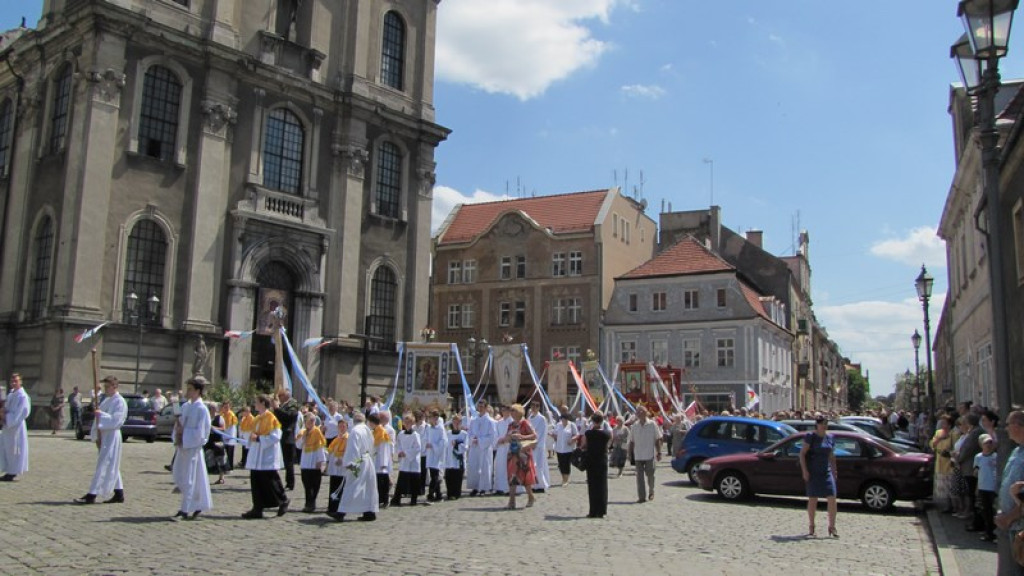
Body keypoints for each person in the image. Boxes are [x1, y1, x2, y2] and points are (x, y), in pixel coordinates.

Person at [75, 376, 127, 503]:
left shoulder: (119, 401)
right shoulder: (106, 400)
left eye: (108, 386)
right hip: (104, 435)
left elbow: (117, 420)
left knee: (103, 464)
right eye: (105, 387)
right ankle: (119, 493)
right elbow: (98, 419)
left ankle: (92, 494)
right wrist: (97, 435)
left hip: (112, 435)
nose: (106, 389)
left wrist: (100, 415)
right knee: (110, 463)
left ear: (115, 386)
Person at [242, 394, 289, 519]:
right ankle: (257, 507)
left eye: (257, 402)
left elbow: (276, 436)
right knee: (256, 480)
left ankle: (283, 500)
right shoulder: (257, 418)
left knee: (271, 480)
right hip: (257, 455)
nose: (254, 404)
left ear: (263, 403)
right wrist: (250, 439)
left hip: (266, 455)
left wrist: (259, 439)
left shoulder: (271, 418)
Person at [172, 377, 212, 520]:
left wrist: (185, 434)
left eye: (190, 389)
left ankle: (185, 509)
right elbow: (178, 424)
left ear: (198, 391)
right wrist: (177, 432)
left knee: (189, 479)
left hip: (193, 449)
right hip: (183, 448)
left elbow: (202, 433)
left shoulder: (202, 409)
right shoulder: (185, 407)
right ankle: (198, 504)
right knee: (185, 477)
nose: (187, 392)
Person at [800, 415, 838, 538]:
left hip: (826, 471)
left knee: (832, 497)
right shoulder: (811, 437)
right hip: (813, 471)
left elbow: (831, 456)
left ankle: (832, 526)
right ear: (817, 425)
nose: (825, 426)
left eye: (826, 424)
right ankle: (812, 526)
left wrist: (834, 470)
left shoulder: (830, 437)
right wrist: (805, 471)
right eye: (822, 423)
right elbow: (802, 454)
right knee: (813, 498)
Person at [337, 412, 379, 522]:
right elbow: (372, 446)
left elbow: (353, 449)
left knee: (351, 486)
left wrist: (349, 464)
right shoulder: (367, 430)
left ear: (353, 421)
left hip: (358, 462)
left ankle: (341, 512)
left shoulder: (355, 431)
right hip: (367, 460)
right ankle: (369, 511)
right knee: (367, 488)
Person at [997, 411, 1024, 576]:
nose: (1005, 429)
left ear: (1018, 426)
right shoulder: (1017, 451)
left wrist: (1009, 516)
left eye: (1008, 424)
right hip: (1012, 525)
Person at [504, 403, 537, 510]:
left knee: (525, 476)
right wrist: (508, 437)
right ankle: (511, 501)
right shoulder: (510, 424)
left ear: (518, 412)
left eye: (513, 410)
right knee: (512, 476)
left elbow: (534, 435)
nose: (511, 412)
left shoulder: (525, 423)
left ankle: (531, 496)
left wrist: (522, 436)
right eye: (511, 410)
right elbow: (506, 437)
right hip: (512, 453)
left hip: (523, 454)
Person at [581, 411, 611, 518]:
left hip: (591, 460)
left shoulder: (588, 433)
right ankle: (602, 510)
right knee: (602, 486)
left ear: (593, 421)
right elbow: (608, 445)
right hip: (602, 460)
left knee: (592, 486)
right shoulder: (606, 434)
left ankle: (593, 510)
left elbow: (583, 445)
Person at [628, 406, 661, 503]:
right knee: (639, 477)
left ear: (645, 413)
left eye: (640, 412)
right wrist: (630, 453)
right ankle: (641, 497)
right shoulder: (634, 426)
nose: (638, 413)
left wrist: (658, 452)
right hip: (638, 455)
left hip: (649, 454)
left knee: (650, 474)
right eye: (637, 412)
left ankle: (651, 490)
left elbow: (657, 439)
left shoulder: (652, 424)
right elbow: (631, 441)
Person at [0, 374, 30, 481]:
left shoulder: (22, 396)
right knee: (6, 449)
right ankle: (9, 470)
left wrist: (6, 417)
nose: (13, 383)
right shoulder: (11, 394)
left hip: (16, 427)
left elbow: (21, 413)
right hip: (7, 427)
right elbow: (6, 408)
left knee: (14, 450)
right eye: (12, 381)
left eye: (16, 381)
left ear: (20, 382)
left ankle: (13, 472)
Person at [296, 412, 327, 513]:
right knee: (307, 484)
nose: (310, 423)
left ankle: (312, 503)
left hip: (314, 462)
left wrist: (321, 461)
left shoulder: (317, 432)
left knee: (315, 484)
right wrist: (303, 438)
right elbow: (298, 446)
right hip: (305, 461)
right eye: (309, 421)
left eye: (312, 421)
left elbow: (321, 446)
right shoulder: (303, 432)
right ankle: (308, 503)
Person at [958, 413, 984, 532]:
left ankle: (977, 523)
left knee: (973, 496)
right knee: (971, 495)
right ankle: (975, 521)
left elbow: (968, 449)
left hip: (970, 467)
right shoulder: (973, 431)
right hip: (967, 467)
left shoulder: (976, 432)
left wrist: (958, 459)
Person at [391, 413, 423, 507]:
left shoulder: (415, 435)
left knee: (414, 480)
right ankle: (397, 499)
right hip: (404, 461)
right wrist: (400, 452)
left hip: (413, 461)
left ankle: (414, 499)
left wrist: (407, 453)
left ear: (412, 423)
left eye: (409, 422)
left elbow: (418, 448)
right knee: (402, 480)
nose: (407, 424)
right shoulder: (401, 434)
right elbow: (398, 444)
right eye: (406, 422)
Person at [466, 400, 496, 496]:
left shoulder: (490, 421)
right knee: (474, 467)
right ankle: (475, 487)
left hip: (484, 448)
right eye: (479, 407)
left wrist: (480, 440)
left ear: (486, 407)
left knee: (484, 468)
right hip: (474, 448)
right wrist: (472, 439)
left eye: (482, 406)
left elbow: (492, 436)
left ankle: (483, 488)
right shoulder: (474, 420)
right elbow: (469, 433)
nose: (480, 408)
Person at [273, 389, 300, 491]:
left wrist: (277, 409)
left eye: (280, 396)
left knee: (288, 462)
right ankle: (287, 481)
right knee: (284, 461)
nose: (279, 398)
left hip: (288, 435)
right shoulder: (284, 405)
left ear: (286, 396)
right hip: (282, 434)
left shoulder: (292, 404)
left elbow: (288, 417)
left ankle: (290, 483)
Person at [931, 415, 956, 514]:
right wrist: (939, 439)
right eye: (942, 423)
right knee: (943, 488)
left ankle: (953, 506)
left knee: (951, 487)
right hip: (940, 462)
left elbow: (956, 447)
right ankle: (947, 505)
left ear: (949, 425)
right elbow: (932, 445)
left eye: (944, 423)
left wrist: (948, 452)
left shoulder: (954, 434)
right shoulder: (938, 433)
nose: (942, 424)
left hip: (949, 464)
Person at [975, 433, 998, 542]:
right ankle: (988, 532)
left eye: (990, 443)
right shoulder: (978, 457)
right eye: (986, 443)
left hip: (993, 488)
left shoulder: (996, 457)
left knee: (994, 511)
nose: (988, 445)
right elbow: (976, 471)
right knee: (985, 511)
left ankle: (995, 533)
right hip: (982, 486)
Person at [325, 419, 349, 520]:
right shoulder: (336, 439)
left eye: (343, 426)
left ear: (347, 427)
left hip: (342, 468)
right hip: (334, 467)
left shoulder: (348, 438)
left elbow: (349, 453)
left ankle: (339, 509)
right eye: (340, 426)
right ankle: (332, 508)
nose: (341, 428)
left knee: (340, 489)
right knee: (333, 487)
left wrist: (343, 461)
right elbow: (330, 451)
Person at [423, 410, 448, 502]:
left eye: (433, 417)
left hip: (437, 455)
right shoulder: (428, 428)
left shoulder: (440, 429)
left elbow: (444, 441)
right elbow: (425, 437)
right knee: (434, 475)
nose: (431, 419)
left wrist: (433, 445)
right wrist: (426, 443)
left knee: (435, 476)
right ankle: (438, 494)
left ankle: (430, 494)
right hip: (430, 454)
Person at [374, 409, 395, 508]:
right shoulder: (376, 428)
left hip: (385, 456)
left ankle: (386, 499)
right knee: (378, 479)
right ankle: (379, 498)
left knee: (384, 479)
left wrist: (390, 456)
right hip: (376, 456)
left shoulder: (389, 430)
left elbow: (391, 444)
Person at [528, 402, 551, 493]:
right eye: (532, 406)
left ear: (539, 408)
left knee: (539, 466)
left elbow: (542, 433)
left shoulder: (542, 418)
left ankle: (541, 485)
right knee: (532, 466)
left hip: (538, 446)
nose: (534, 408)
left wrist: (536, 443)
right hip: (530, 445)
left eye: (536, 406)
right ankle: (533, 484)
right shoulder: (529, 418)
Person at [552, 413, 579, 487]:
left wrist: (572, 439)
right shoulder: (558, 425)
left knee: (566, 464)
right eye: (562, 419)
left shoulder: (572, 425)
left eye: (565, 419)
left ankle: (566, 480)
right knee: (561, 464)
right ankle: (563, 478)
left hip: (568, 448)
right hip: (559, 448)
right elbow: (555, 433)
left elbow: (576, 434)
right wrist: (553, 435)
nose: (563, 421)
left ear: (568, 419)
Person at [445, 415, 468, 500]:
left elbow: (466, 446)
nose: (456, 424)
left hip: (459, 459)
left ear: (461, 423)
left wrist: (458, 443)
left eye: (458, 422)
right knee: (449, 477)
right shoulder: (448, 433)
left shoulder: (464, 434)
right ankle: (450, 493)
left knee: (457, 478)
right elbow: (446, 445)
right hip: (450, 458)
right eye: (454, 422)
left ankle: (456, 493)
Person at [492, 405, 512, 496]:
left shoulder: (512, 421)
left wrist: (506, 439)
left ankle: (508, 488)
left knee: (508, 467)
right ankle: (499, 487)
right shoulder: (499, 422)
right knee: (499, 467)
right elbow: (495, 433)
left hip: (509, 447)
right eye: (502, 410)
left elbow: (513, 433)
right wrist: (498, 440)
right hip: (500, 447)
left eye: (506, 410)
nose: (504, 412)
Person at [219, 401, 238, 471]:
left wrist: (229, 437)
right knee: (224, 453)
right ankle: (225, 467)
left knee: (230, 453)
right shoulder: (222, 415)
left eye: (227, 407)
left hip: (229, 437)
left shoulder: (231, 415)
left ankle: (230, 468)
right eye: (225, 407)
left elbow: (232, 428)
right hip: (224, 436)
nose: (226, 408)